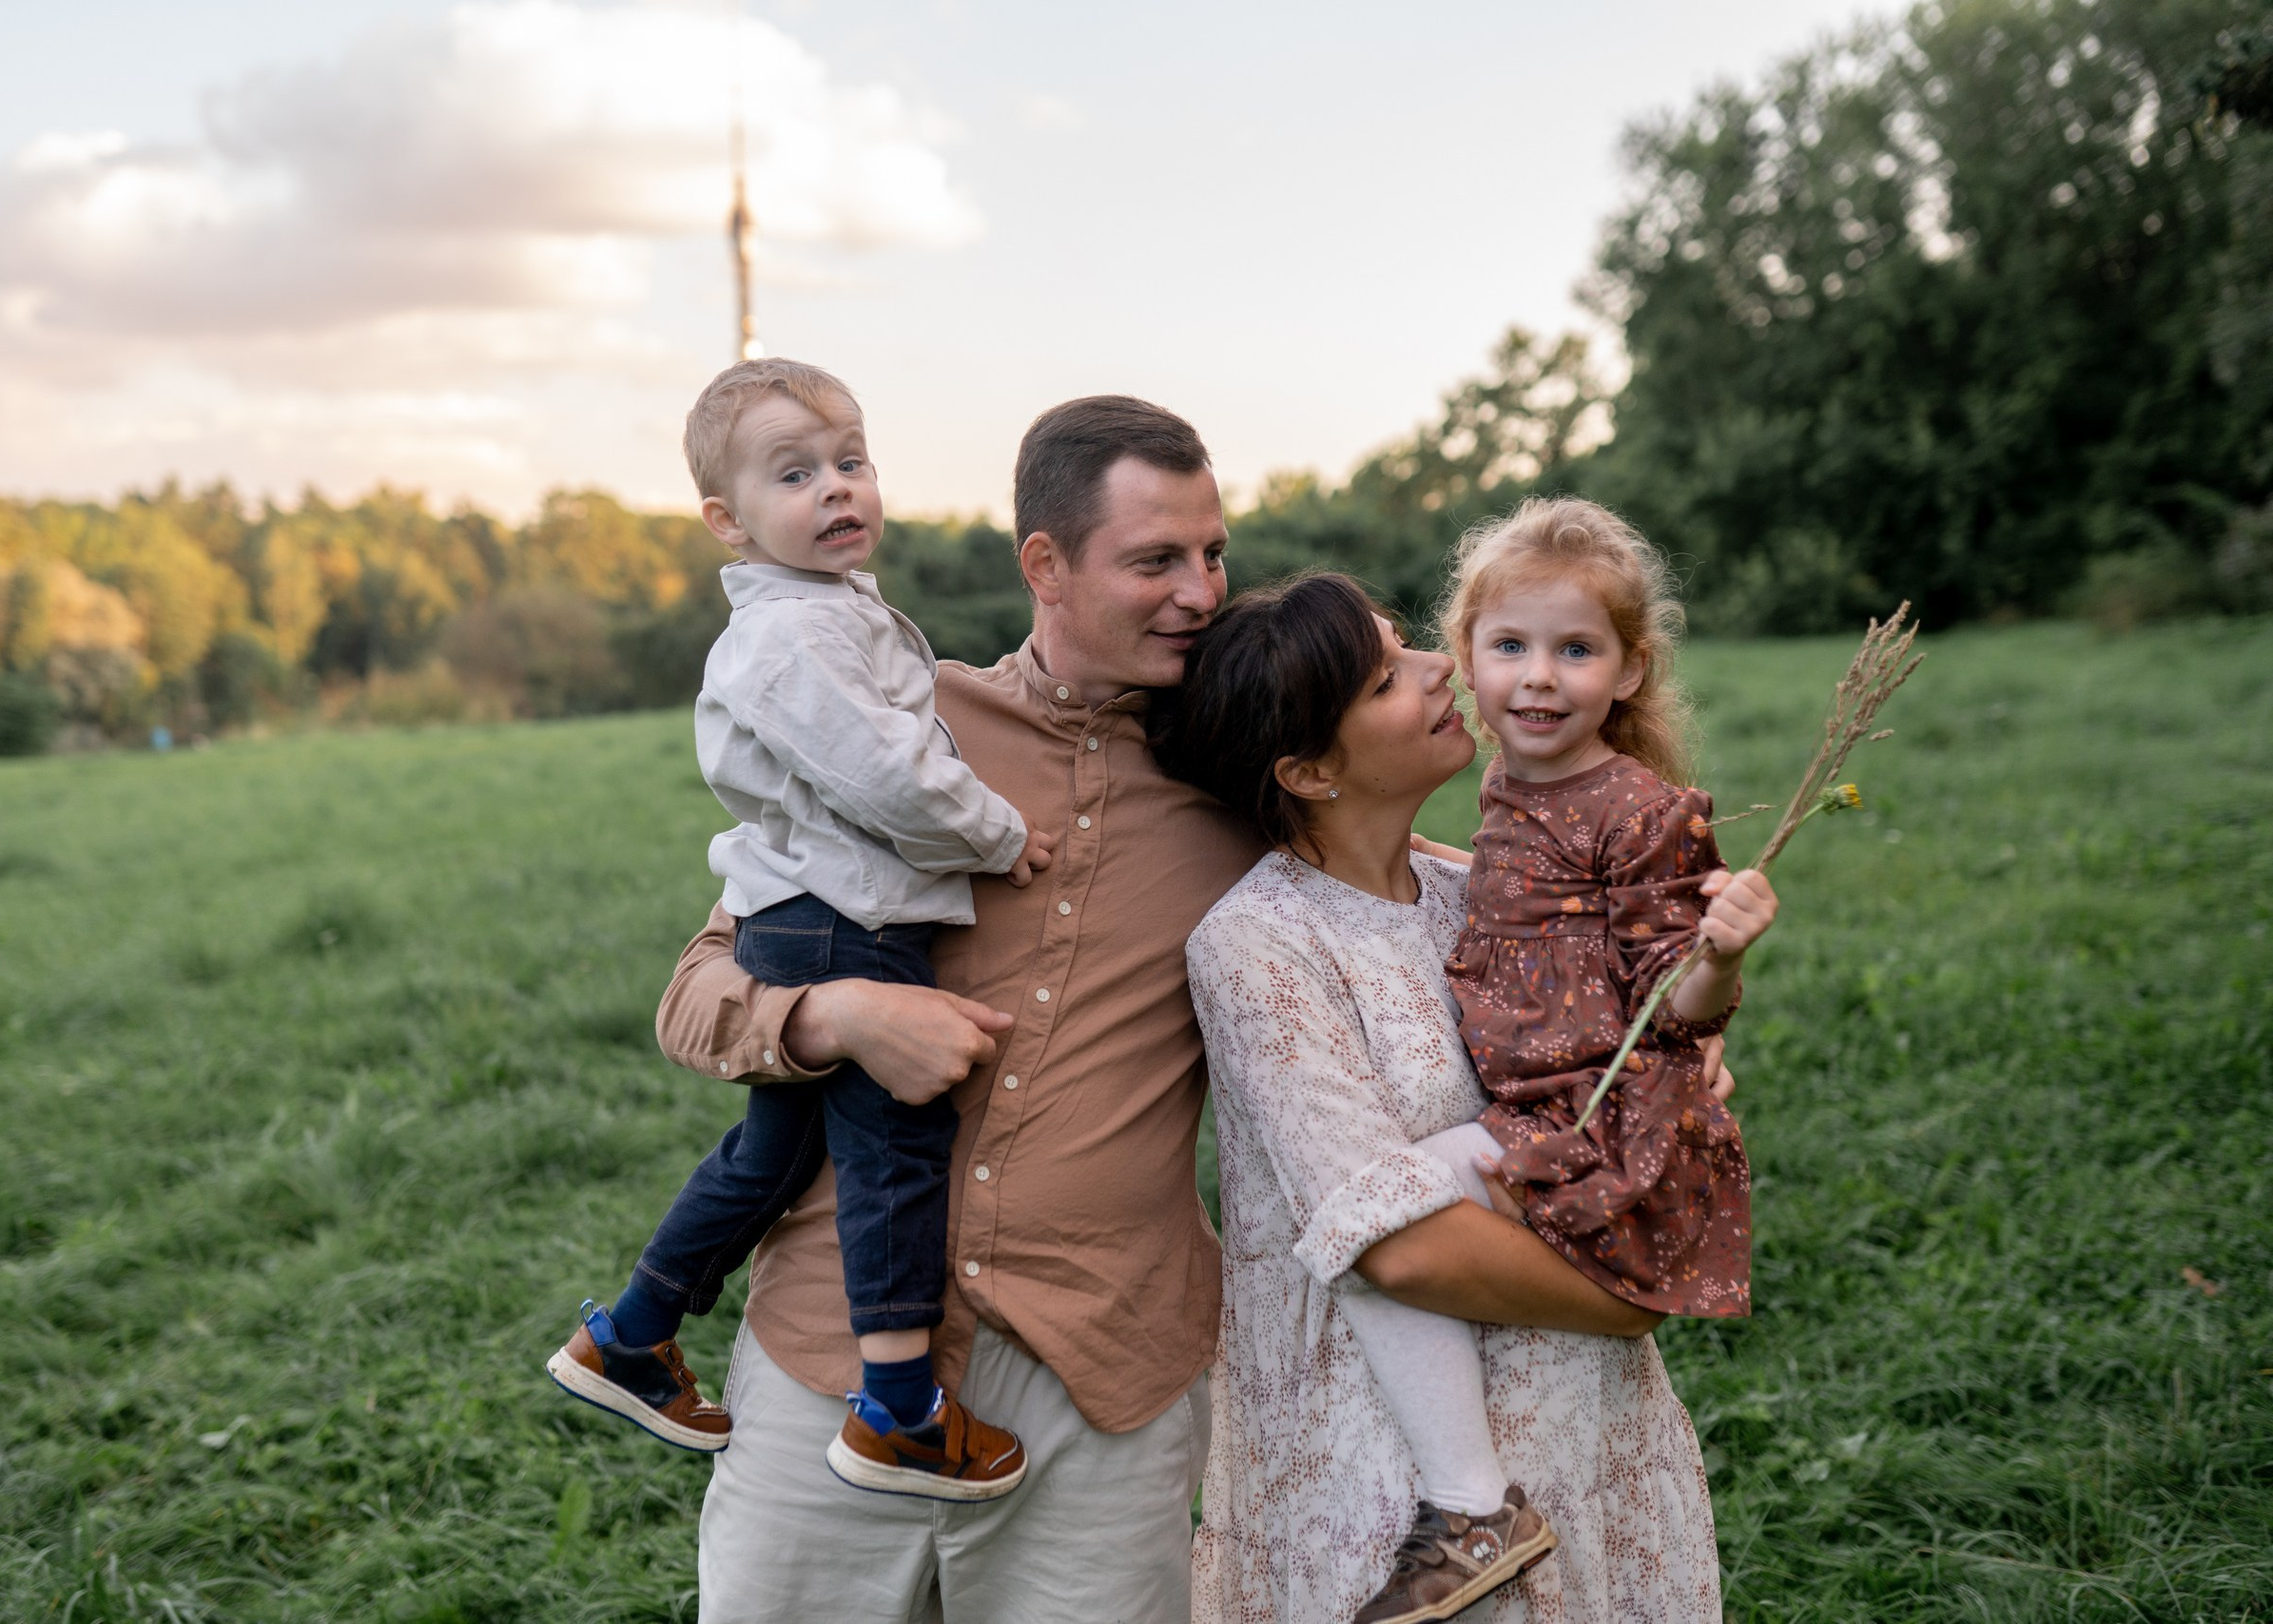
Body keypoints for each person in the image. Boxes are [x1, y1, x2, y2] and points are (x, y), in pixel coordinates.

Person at [654, 395, 1263, 1622]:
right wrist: (832, 1023)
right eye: (1155, 560)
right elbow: (695, 995)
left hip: (1106, 1366)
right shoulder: (901, 732)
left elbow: (1415, 908)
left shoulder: (1252, 783)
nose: (1199, 592)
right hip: (836, 1341)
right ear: (1045, 563)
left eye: (1213, 555)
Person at [1159, 570, 1729, 1623]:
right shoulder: (1259, 944)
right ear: (1309, 768)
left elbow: (1633, 1055)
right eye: (1386, 677)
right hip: (1390, 1465)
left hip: (1580, 1418)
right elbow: (1396, 1245)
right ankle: (1471, 1509)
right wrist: (1626, 1301)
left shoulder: (1483, 891)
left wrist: (1681, 1055)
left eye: (1407, 647)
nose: (1440, 667)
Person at [545, 358, 1057, 1501]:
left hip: (807, 916)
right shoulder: (794, 638)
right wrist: (996, 833)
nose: (836, 489)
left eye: (850, 462)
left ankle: (632, 1330)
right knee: (893, 1153)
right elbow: (889, 774)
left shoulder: (823, 612)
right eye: (795, 474)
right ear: (727, 522)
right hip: (843, 923)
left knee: (771, 1157)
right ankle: (900, 1408)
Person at [1443, 497, 1774, 1321]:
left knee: (1408, 1223)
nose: (1540, 675)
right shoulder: (1504, 785)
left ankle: (1456, 1456)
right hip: (1518, 1088)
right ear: (1468, 658)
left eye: (1576, 649)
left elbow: (1676, 1007)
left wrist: (1720, 957)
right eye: (1510, 645)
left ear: (1629, 670)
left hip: (1591, 1114)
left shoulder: (1640, 813)